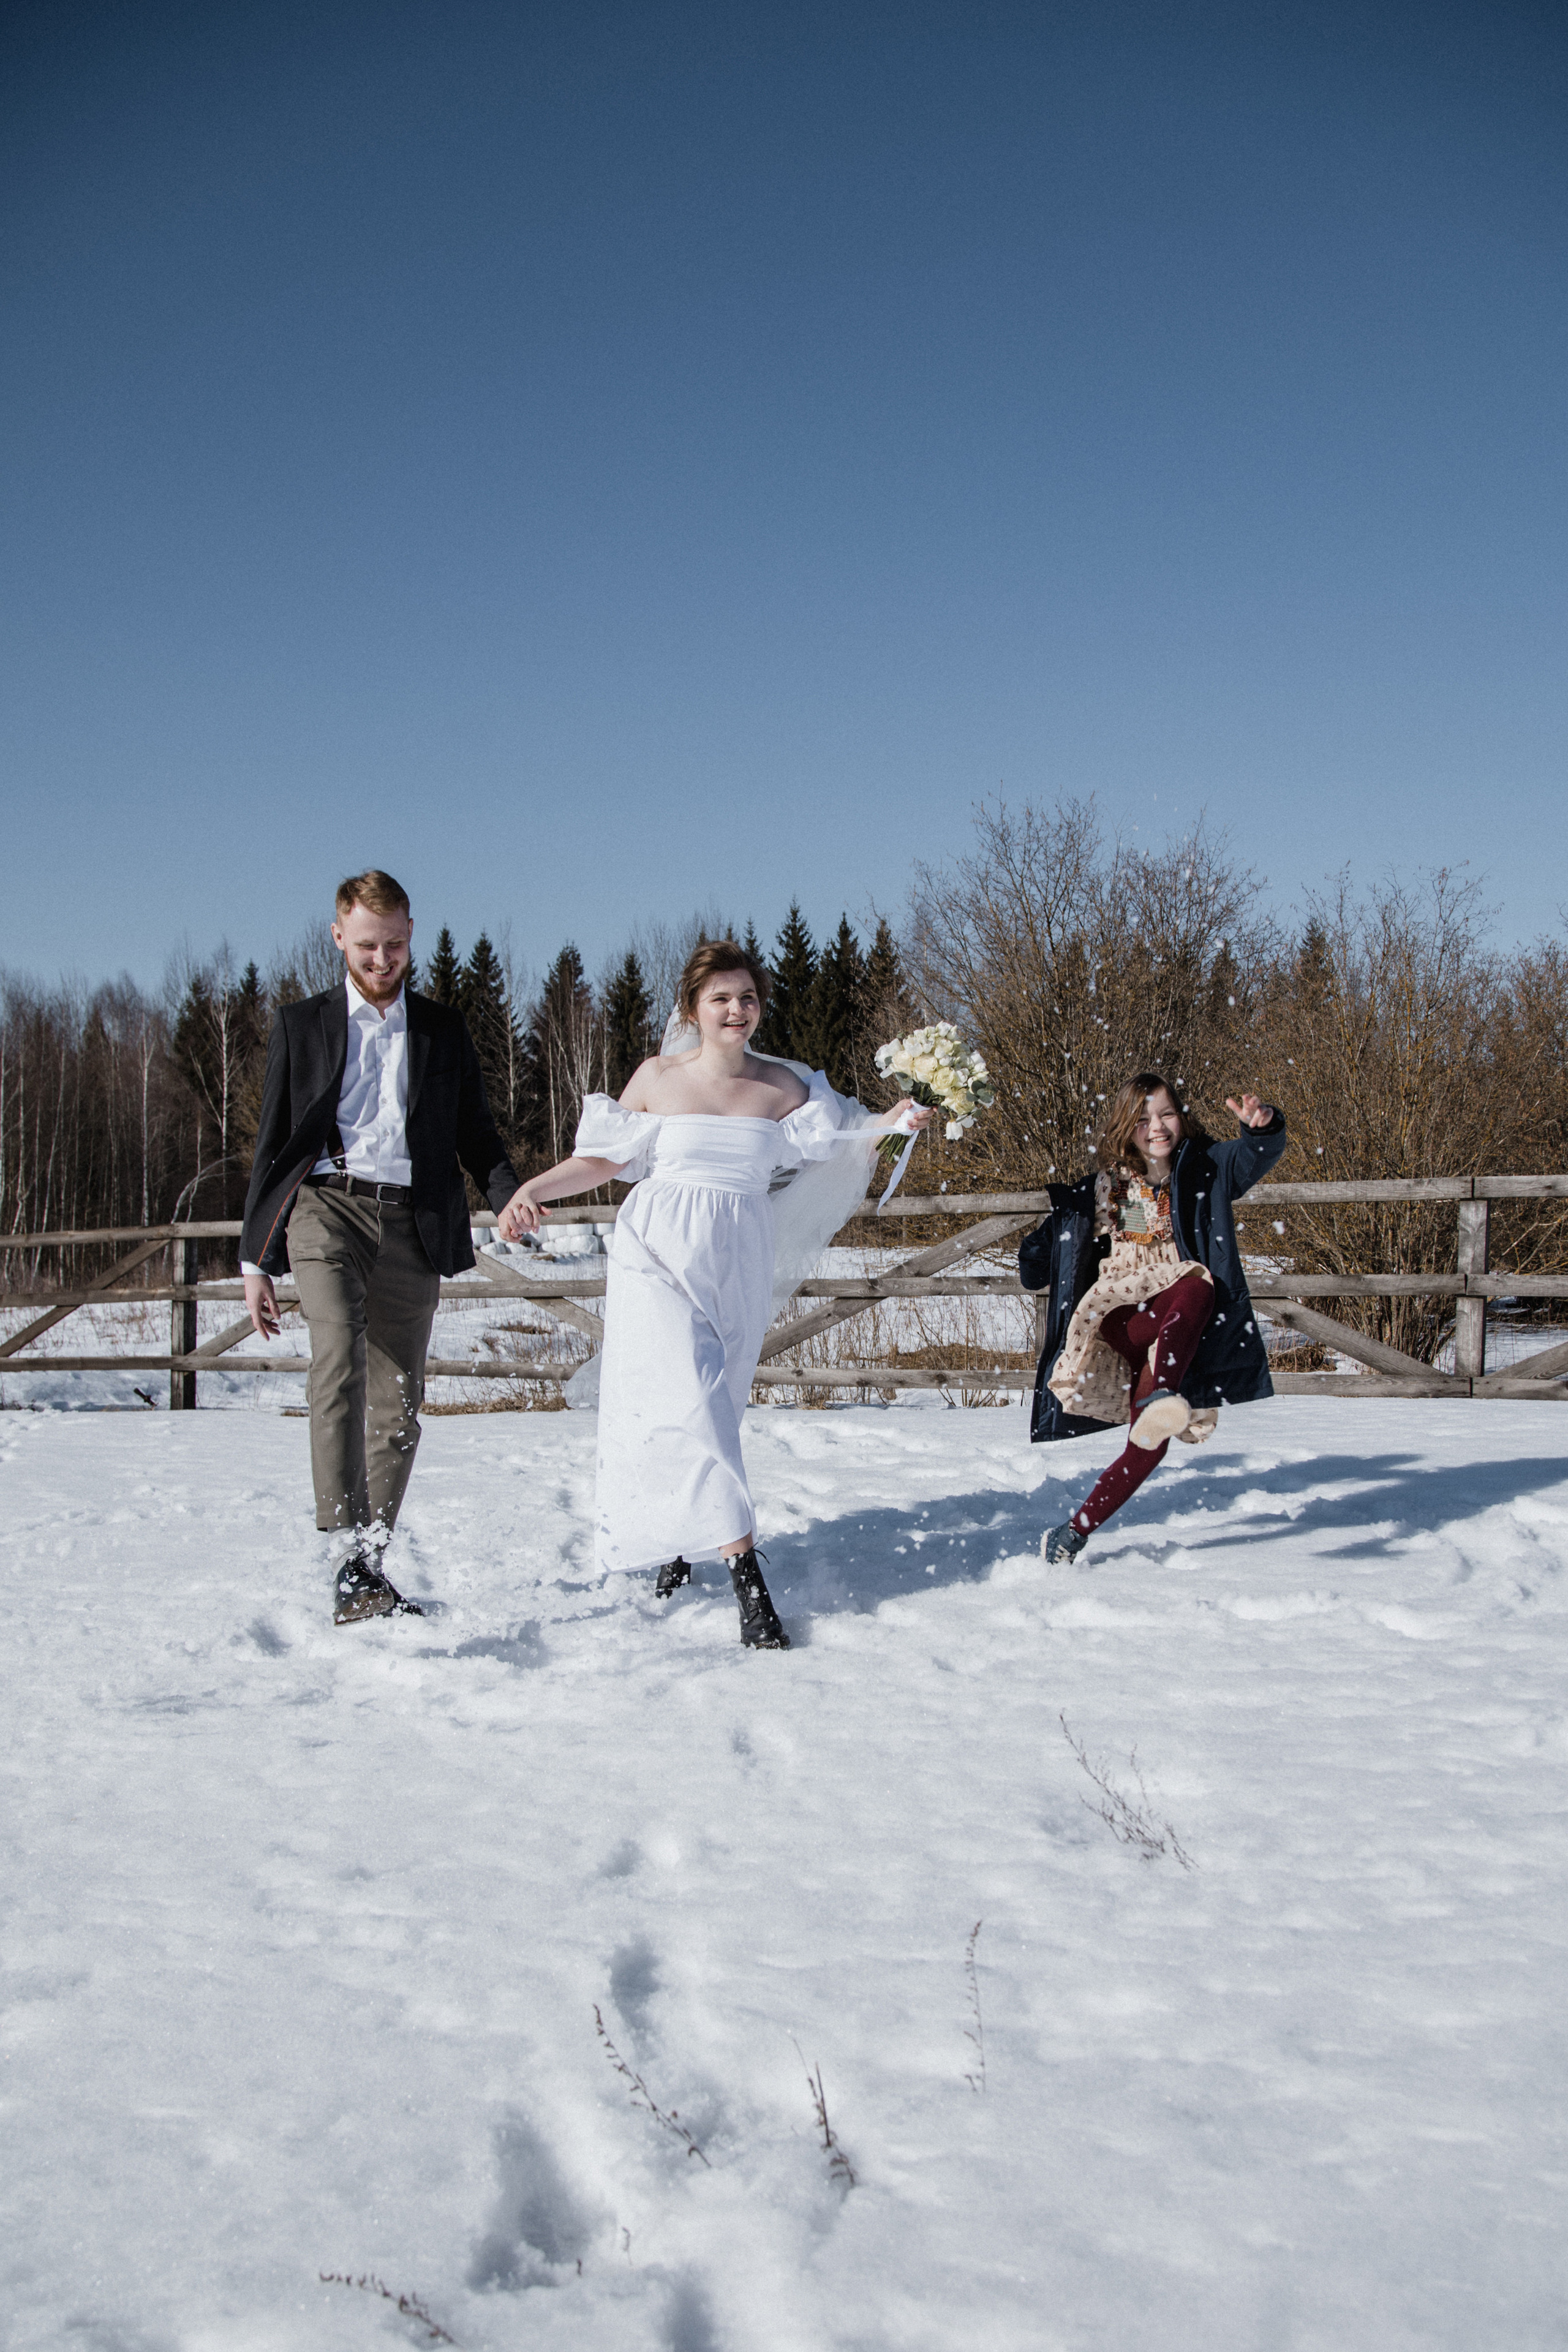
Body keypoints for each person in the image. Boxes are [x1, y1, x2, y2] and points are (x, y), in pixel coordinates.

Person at [498, 939, 931, 1649]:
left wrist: (897, 1121)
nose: (736, 1010)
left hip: (738, 1257)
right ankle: (746, 1579)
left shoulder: (784, 1090)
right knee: (690, 1396)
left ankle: (679, 1541)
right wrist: (532, 1189)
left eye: (747, 998)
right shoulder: (658, 1077)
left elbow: (847, 1133)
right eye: (721, 998)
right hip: (657, 1254)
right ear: (693, 1009)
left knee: (716, 1404)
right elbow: (601, 1160)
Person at [240, 871, 521, 1624]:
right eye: (367, 945)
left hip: (412, 1223)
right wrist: (254, 1260)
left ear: (410, 934)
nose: (382, 959)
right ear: (338, 937)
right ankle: (341, 1542)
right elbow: (272, 1143)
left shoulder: (441, 1029)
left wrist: (507, 1195)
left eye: (395, 944)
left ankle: (366, 1563)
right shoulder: (302, 1024)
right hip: (325, 1210)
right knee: (337, 1359)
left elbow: (477, 1133)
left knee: (398, 1401)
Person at [1019, 1072, 1286, 1564]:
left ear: (1181, 1117)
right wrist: (1040, 1250)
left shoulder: (1207, 1169)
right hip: (1126, 1314)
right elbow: (1048, 1246)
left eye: (1166, 1114)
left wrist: (1261, 1130)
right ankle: (1166, 1389)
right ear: (1127, 1126)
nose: (1157, 1127)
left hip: (1176, 1329)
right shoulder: (1106, 1187)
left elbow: (1253, 1158)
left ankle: (1072, 1532)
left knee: (1151, 1440)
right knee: (1197, 1281)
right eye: (1143, 1119)